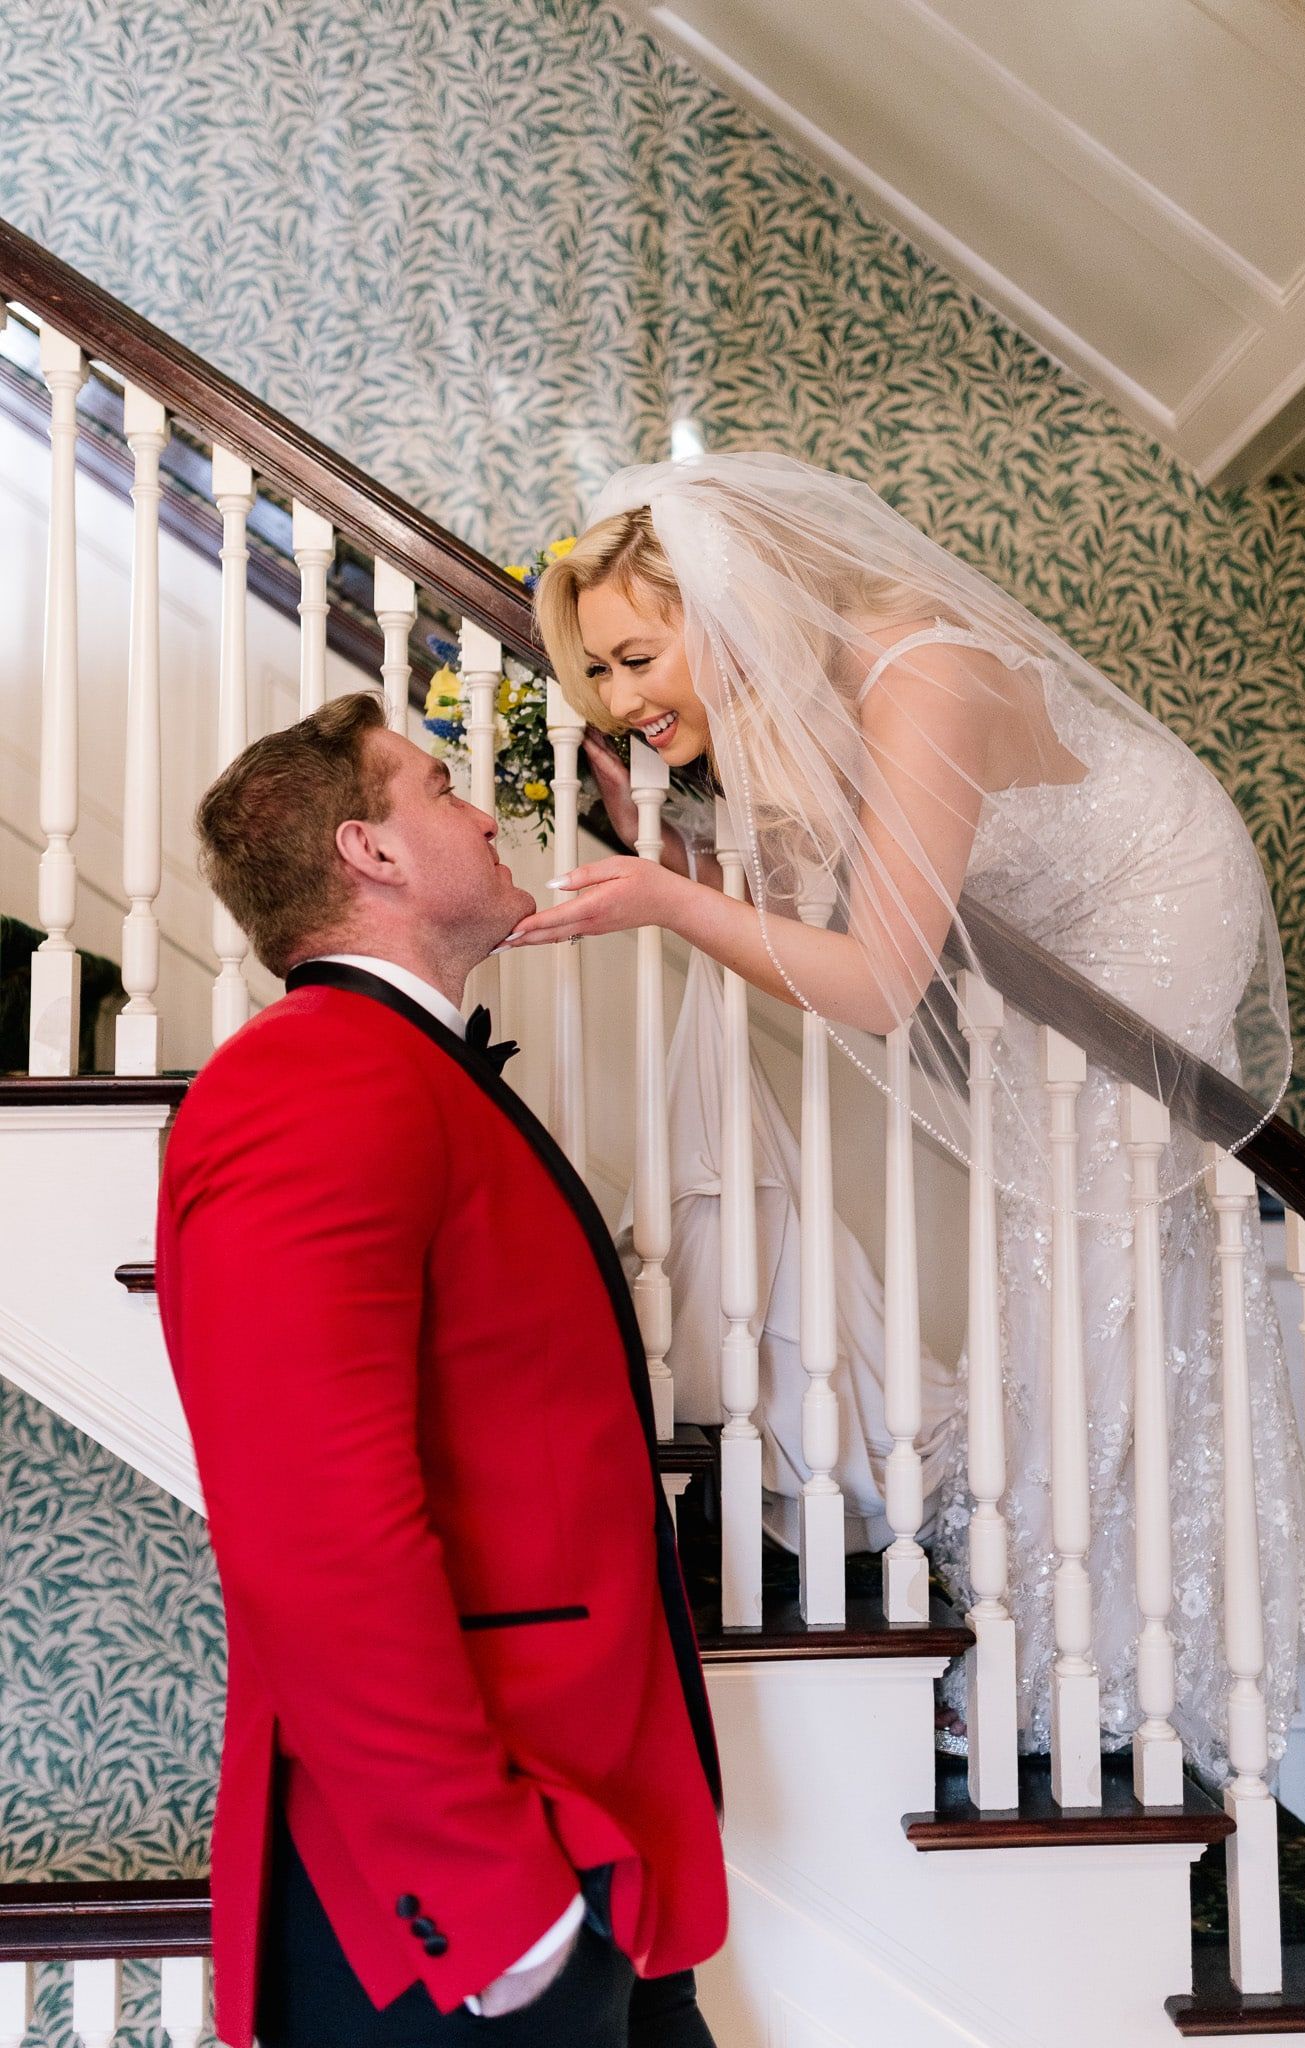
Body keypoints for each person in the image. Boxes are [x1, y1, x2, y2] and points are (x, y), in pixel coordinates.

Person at [507, 449, 1305, 1781]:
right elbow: (841, 912)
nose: (618, 697)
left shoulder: (913, 676)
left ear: (724, 605)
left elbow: (875, 983)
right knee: (1057, 1263)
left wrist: (669, 901)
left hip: (1151, 896)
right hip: (1057, 927)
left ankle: (1067, 1658)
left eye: (638, 658)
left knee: (1091, 1261)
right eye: (601, 673)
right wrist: (690, 869)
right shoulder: (816, 691)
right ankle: (1074, 1623)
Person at [155, 693, 726, 2048]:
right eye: (440, 787)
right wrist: (488, 1896)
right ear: (374, 855)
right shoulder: (307, 1080)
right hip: (460, 1909)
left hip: (589, 1856)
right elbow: (313, 1530)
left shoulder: (400, 1070)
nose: (483, 809)